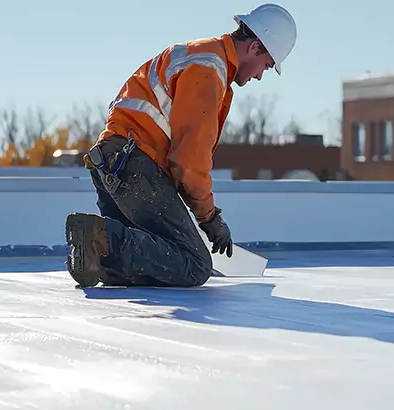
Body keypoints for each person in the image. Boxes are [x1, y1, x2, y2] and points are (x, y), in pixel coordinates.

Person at [65, 3, 297, 288]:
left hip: (112, 162)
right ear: (256, 47)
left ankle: (98, 253)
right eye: (267, 65)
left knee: (147, 261)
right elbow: (189, 159)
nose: (260, 75)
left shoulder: (199, 55)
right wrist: (210, 217)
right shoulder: (209, 69)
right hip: (134, 165)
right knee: (195, 265)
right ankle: (102, 235)